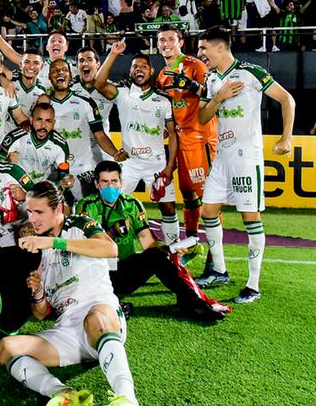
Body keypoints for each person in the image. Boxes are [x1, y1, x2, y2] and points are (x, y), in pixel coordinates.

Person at [0, 181, 144, 406]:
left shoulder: (79, 224)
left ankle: (129, 404)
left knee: (96, 318)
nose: (33, 218)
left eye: (38, 212)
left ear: (58, 208)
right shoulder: (39, 255)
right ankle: (63, 394)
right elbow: (41, 314)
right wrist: (38, 291)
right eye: (29, 212)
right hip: (67, 329)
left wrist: (54, 244)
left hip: (101, 314)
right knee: (4, 348)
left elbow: (110, 248)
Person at [194, 26, 296, 303]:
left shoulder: (251, 72)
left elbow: (287, 99)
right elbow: (202, 117)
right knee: (208, 210)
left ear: (220, 47)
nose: (201, 52)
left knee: (250, 216)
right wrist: (219, 97)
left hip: (245, 156)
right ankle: (220, 269)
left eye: (204, 48)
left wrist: (286, 138)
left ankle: (253, 285)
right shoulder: (212, 79)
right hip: (223, 156)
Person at [76, 160, 227, 321]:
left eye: (114, 181)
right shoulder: (85, 206)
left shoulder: (132, 204)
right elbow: (87, 247)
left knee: (157, 255)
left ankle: (192, 304)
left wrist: (168, 251)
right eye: (104, 182)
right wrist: (113, 232)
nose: (110, 186)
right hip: (97, 274)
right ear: (96, 184)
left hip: (124, 272)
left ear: (121, 182)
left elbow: (147, 242)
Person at [92, 40, 179, 244]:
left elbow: (173, 134)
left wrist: (169, 166)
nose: (139, 69)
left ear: (152, 71)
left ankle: (174, 252)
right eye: (135, 66)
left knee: (168, 207)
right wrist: (113, 54)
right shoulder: (122, 94)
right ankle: (108, 250)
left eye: (143, 66)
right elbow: (99, 84)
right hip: (129, 163)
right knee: (111, 202)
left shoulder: (163, 99)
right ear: (130, 72)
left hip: (156, 164)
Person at [153, 25, 218, 254]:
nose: (166, 44)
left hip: (200, 137)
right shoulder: (161, 75)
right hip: (178, 139)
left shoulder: (194, 65)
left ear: (180, 42)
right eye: (162, 40)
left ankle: (214, 257)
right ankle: (192, 245)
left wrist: (191, 85)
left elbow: (213, 94)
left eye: (171, 39)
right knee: (188, 194)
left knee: (208, 198)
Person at [43, 58, 124, 197]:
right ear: (49, 76)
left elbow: (99, 134)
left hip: (83, 168)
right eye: (55, 70)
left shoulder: (86, 102)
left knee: (88, 212)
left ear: (70, 75)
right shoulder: (43, 105)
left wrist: (115, 153)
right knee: (57, 213)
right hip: (53, 169)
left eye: (64, 70)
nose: (60, 73)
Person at [0, 101, 72, 186]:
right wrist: (7, 163)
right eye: (39, 120)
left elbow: (62, 176)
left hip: (41, 189)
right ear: (31, 120)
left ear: (53, 123)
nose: (43, 125)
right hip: (15, 186)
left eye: (48, 121)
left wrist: (65, 181)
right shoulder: (14, 137)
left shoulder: (60, 145)